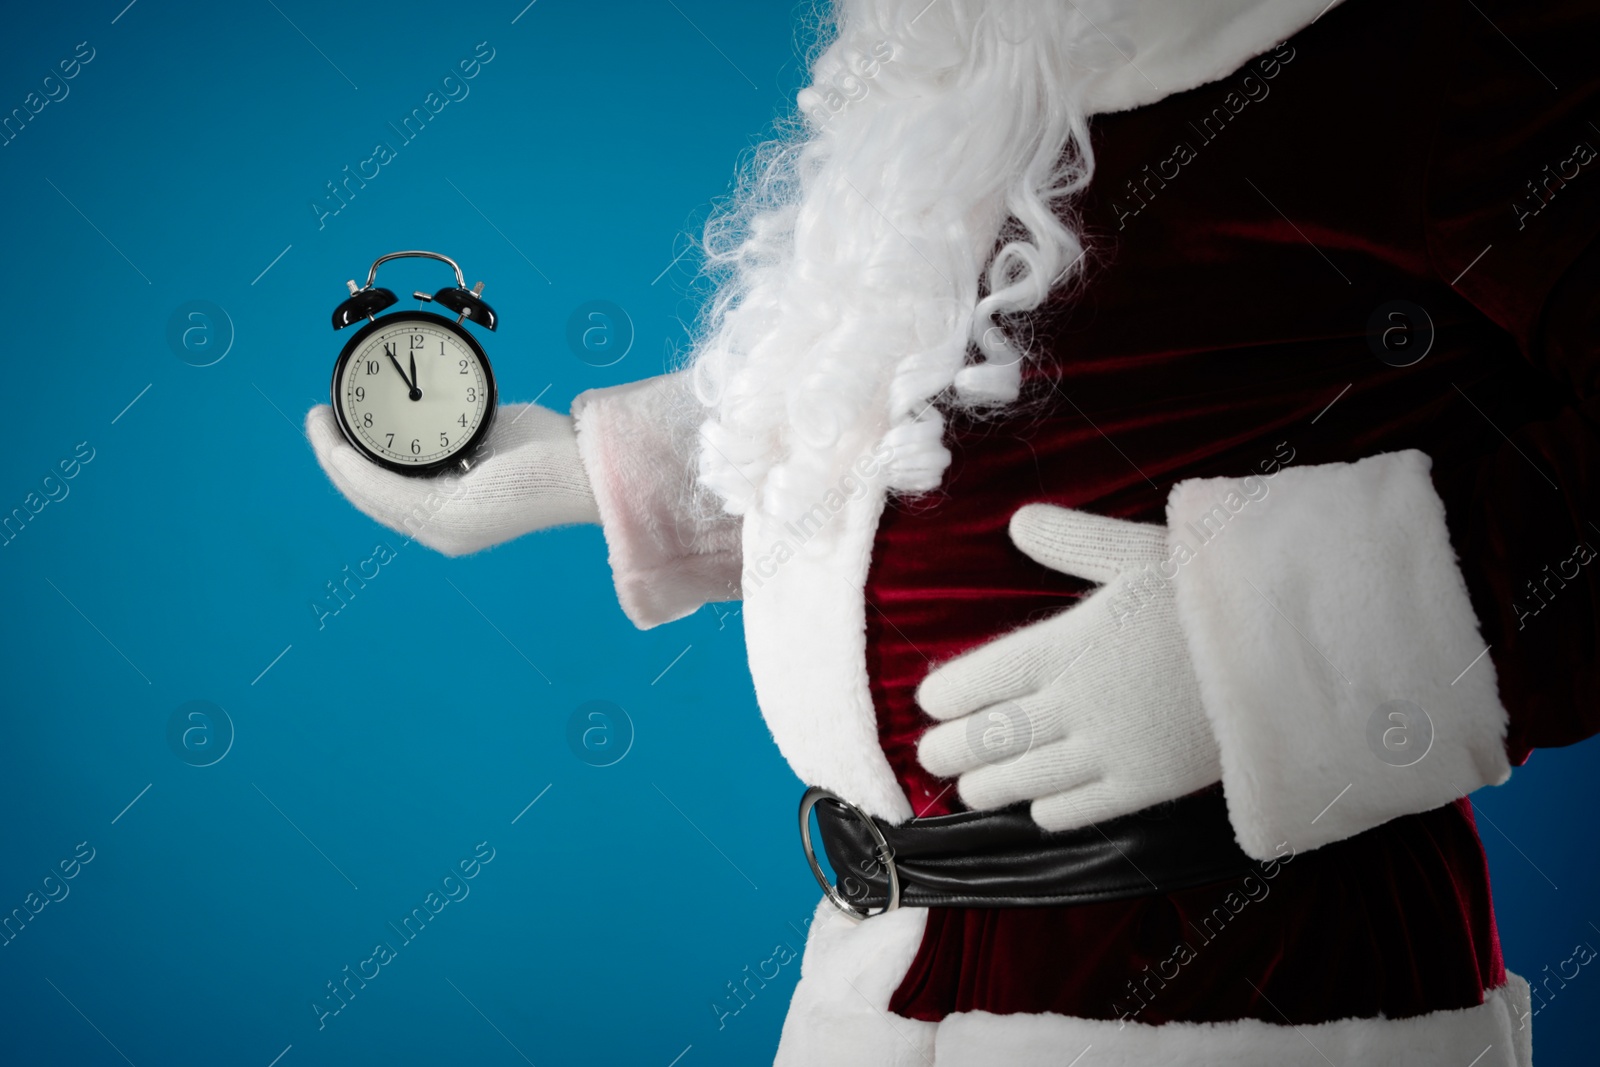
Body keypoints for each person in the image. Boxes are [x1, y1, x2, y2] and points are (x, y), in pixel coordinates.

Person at [306, 0, 1599, 1062]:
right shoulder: (969, 57)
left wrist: (1270, 644)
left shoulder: (1461, 49)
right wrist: (588, 472)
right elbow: (911, 407)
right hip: (880, 984)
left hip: (1254, 991)